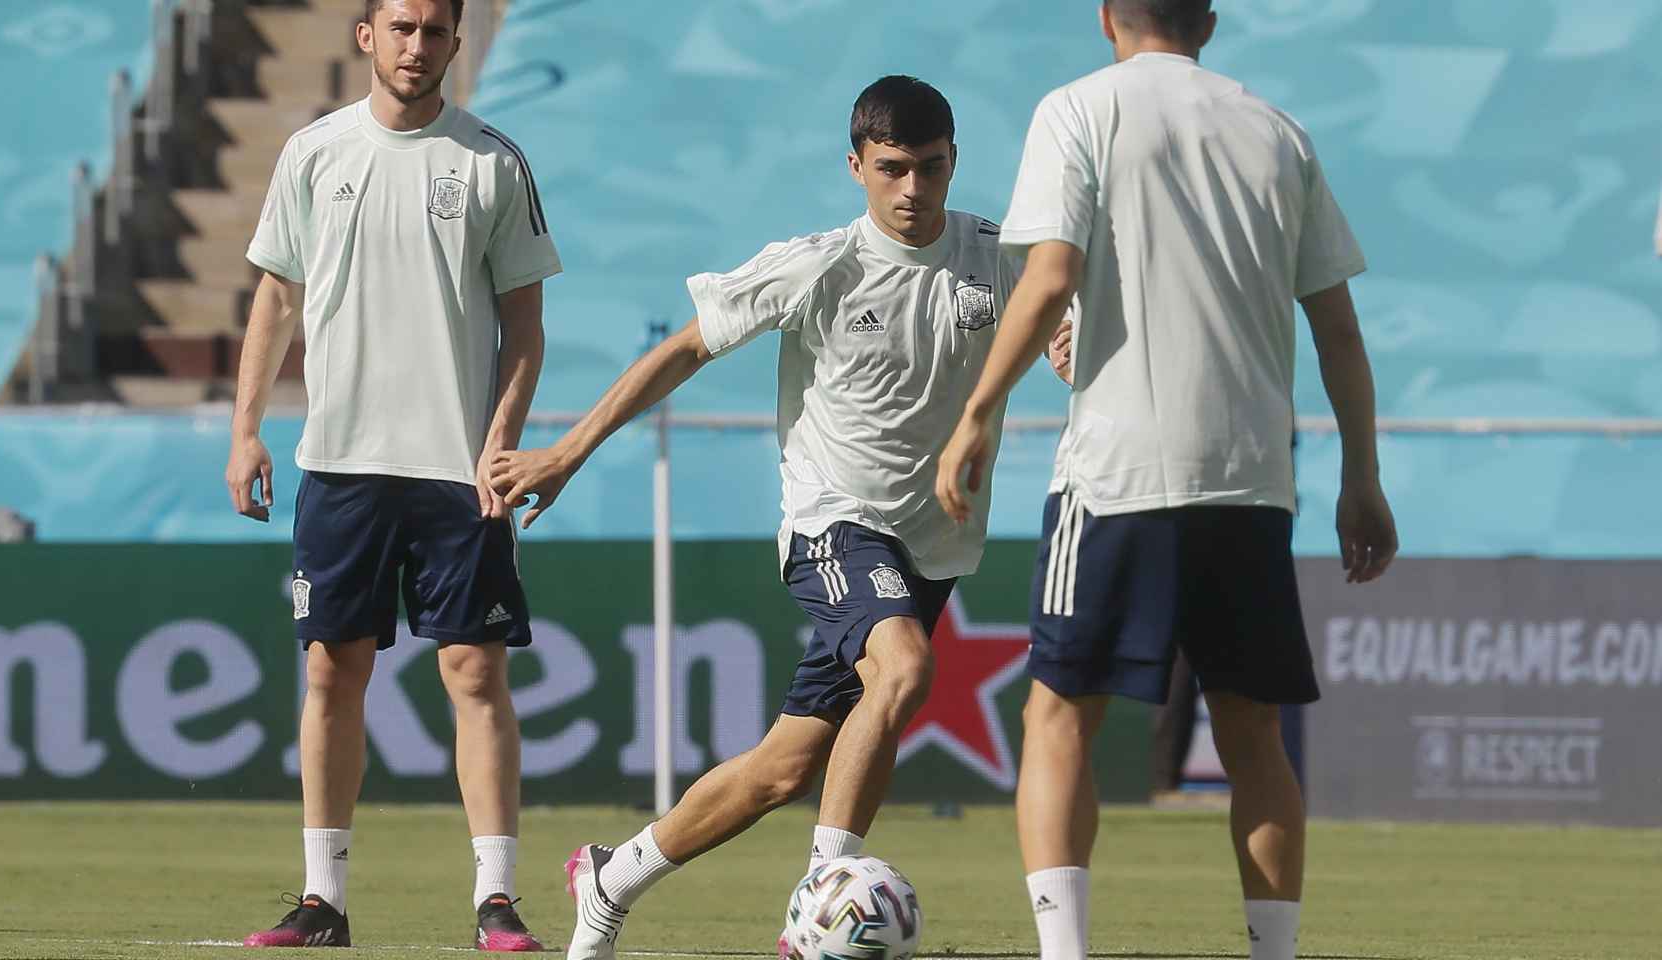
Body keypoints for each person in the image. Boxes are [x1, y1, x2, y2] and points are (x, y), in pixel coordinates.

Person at [487, 76, 1016, 960]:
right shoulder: (821, 264)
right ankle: (822, 905)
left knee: (785, 768)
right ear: (856, 167)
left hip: (931, 544)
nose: (913, 190)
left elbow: (1072, 316)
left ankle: (610, 881)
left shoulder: (999, 255)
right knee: (906, 669)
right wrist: (568, 451)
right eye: (892, 170)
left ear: (954, 160)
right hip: (834, 522)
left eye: (930, 168)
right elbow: (686, 347)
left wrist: (1074, 341)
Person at [935, 3, 1399, 960]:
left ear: (1107, 15)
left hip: (1117, 476)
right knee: (1253, 735)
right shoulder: (1277, 131)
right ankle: (1275, 953)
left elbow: (1052, 273)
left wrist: (978, 410)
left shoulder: (1077, 108)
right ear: (1213, 21)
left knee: (1058, 713)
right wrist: (1363, 477)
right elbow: (1340, 329)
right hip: (1252, 482)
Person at [222, 0, 560, 949]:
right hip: (341, 465)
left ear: (457, 41)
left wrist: (501, 443)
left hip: (459, 471)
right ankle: (322, 898)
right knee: (333, 671)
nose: (418, 47)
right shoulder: (314, 153)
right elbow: (277, 297)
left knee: (475, 671)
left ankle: (496, 897)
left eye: (435, 31)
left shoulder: (493, 161)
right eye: (400, 28)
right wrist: (245, 430)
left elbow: (524, 327)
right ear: (367, 35)